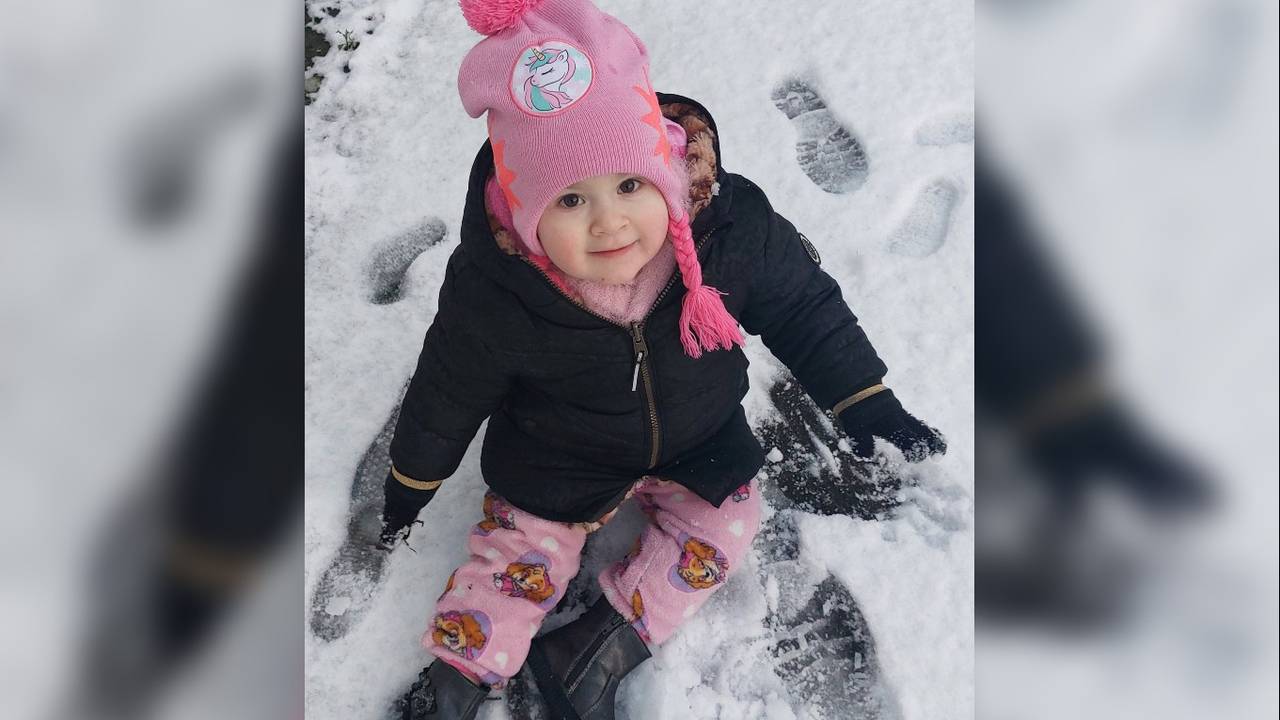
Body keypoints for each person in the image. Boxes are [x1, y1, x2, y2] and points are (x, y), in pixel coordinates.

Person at [380, 1, 945, 717]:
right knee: (515, 558)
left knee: (727, 525)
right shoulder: (500, 287)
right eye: (570, 200)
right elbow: (447, 389)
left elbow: (803, 306)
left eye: (629, 185)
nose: (609, 220)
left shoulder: (729, 231)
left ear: (668, 173)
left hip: (695, 437)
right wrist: (411, 480)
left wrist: (864, 397)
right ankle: (458, 676)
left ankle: (601, 643)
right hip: (557, 455)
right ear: (526, 216)